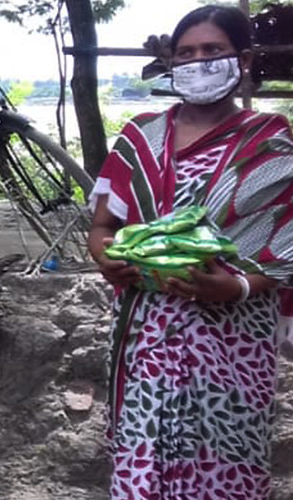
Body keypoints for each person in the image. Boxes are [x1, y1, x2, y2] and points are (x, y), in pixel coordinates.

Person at [87, 7, 291, 499]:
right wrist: (104, 255)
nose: (198, 62)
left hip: (233, 340)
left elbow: (285, 248)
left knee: (224, 469)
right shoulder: (140, 138)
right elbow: (101, 226)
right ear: (171, 63)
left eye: (212, 52)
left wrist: (235, 286)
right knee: (143, 466)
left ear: (240, 61)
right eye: (186, 53)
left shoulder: (270, 146)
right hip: (147, 333)